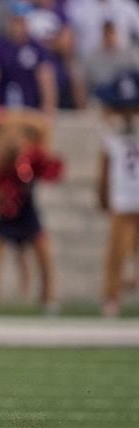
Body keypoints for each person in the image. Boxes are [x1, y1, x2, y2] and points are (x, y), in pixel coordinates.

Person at [0, 111, 64, 313]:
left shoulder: (33, 159)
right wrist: (1, 194)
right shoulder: (2, 163)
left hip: (27, 211)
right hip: (6, 213)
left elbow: (44, 135)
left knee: (43, 253)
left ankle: (48, 299)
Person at [97, 74, 139, 317]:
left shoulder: (112, 135)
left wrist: (102, 196)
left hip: (124, 199)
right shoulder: (111, 135)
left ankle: (111, 299)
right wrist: (103, 196)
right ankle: (111, 297)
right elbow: (104, 170)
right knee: (117, 253)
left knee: (117, 253)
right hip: (122, 201)